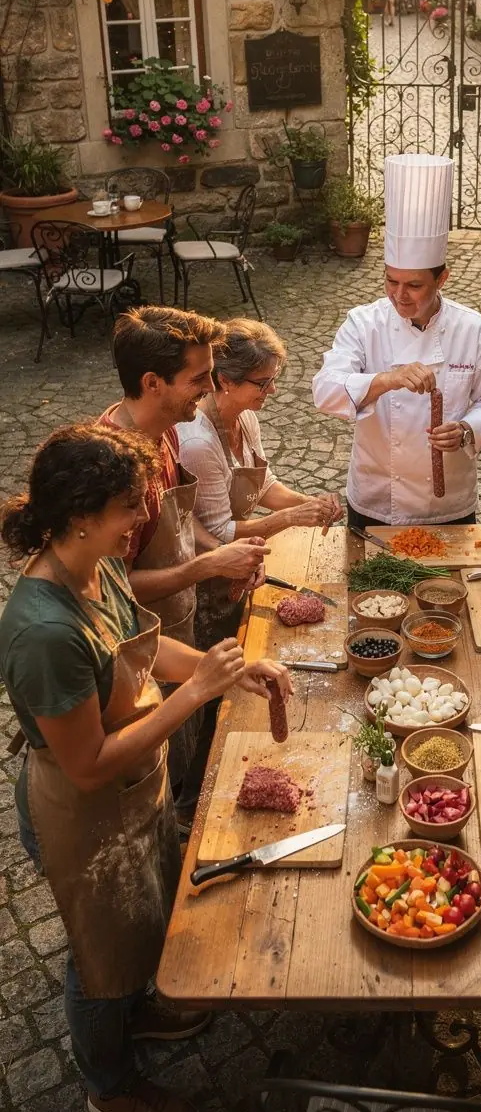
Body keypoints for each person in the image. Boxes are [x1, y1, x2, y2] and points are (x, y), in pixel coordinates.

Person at [0, 424, 291, 1112]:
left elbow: (147, 653)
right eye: (131, 508)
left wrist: (234, 670)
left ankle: (147, 1004)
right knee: (99, 957)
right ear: (80, 515)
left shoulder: (95, 564)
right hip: (83, 810)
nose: (142, 521)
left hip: (137, 787)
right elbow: (88, 763)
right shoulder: (44, 632)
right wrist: (198, 695)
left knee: (148, 909)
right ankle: (108, 1086)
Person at [99, 305, 267, 799]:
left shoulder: (168, 430)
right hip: (135, 660)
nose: (212, 387)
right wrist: (207, 564)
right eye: (199, 378)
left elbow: (180, 517)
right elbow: (111, 590)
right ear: (153, 382)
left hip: (173, 630)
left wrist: (223, 552)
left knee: (187, 760)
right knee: (155, 779)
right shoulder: (114, 470)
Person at [312, 154, 481, 528]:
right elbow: (324, 390)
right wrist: (386, 379)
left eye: (414, 285)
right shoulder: (363, 323)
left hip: (447, 501)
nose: (400, 295)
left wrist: (468, 428)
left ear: (442, 279)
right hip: (376, 496)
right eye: (391, 281)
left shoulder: (473, 329)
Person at [177, 316, 343, 646]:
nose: (273, 390)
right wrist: (289, 519)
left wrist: (310, 504)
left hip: (238, 567)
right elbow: (218, 532)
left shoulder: (245, 415)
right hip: (206, 579)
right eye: (263, 383)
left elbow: (262, 484)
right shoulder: (199, 442)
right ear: (226, 380)